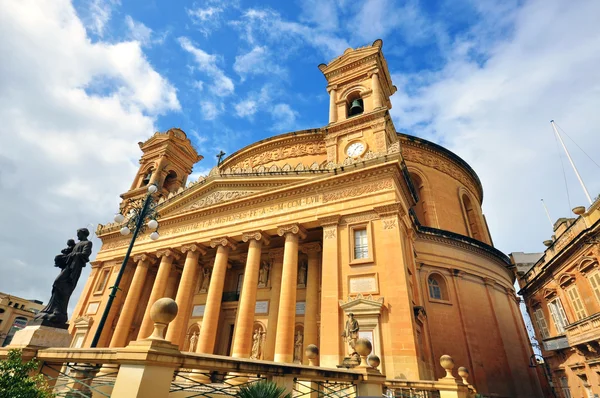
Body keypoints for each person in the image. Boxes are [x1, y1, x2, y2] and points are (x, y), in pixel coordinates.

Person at [34, 228, 93, 328]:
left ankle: (59, 311)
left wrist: (73, 254)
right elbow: (67, 251)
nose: (77, 235)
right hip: (68, 266)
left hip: (73, 269)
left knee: (60, 284)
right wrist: (69, 248)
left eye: (78, 233)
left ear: (83, 233)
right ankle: (51, 309)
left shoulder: (88, 243)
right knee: (56, 285)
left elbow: (85, 255)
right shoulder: (76, 244)